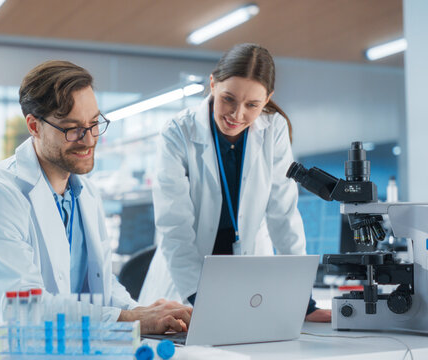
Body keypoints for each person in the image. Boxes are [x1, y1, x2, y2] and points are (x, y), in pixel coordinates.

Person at [0, 60, 192, 335]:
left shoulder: (86, 193)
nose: (89, 139)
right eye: (72, 129)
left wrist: (142, 312)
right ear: (34, 126)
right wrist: (133, 319)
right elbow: (23, 310)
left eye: (94, 124)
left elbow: (100, 283)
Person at [139, 43, 331, 322]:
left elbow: (284, 214)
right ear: (213, 84)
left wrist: (303, 299)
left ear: (267, 99)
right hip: (187, 277)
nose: (237, 114)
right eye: (228, 98)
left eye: (252, 105)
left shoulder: (273, 128)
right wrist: (198, 298)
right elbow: (174, 226)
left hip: (250, 270)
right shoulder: (178, 131)